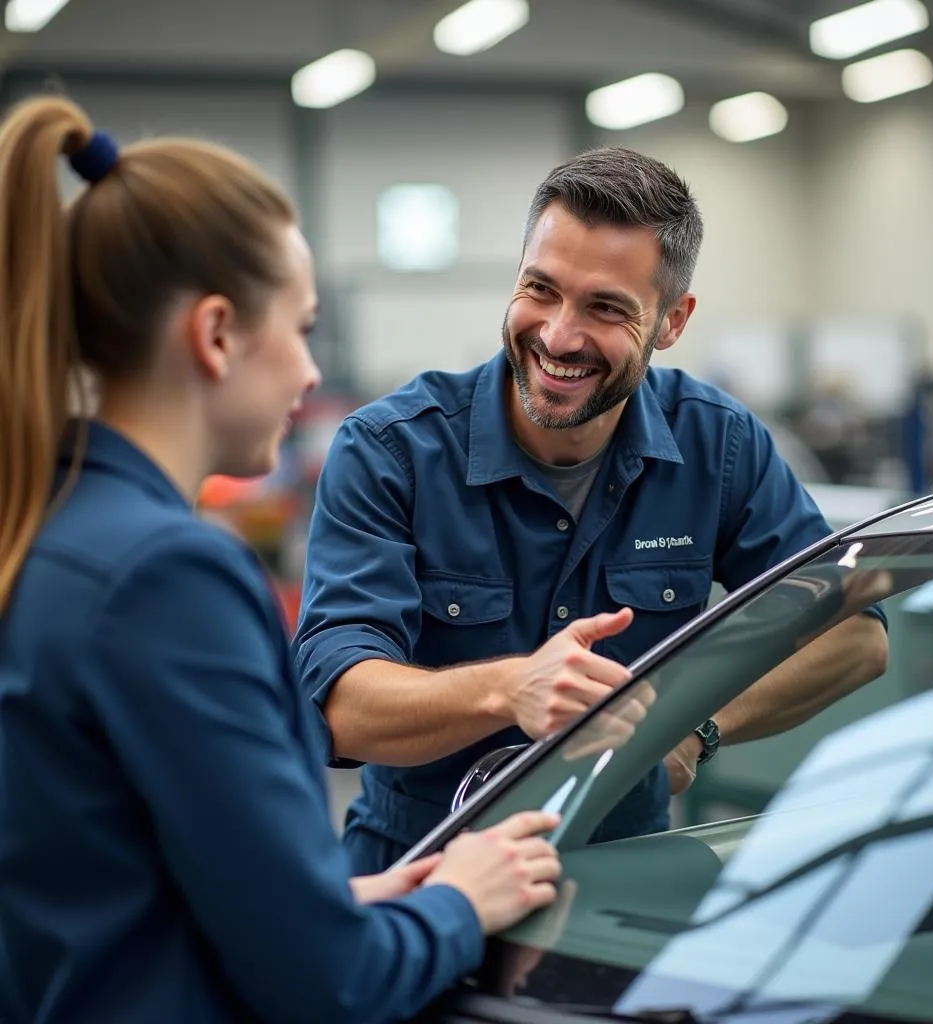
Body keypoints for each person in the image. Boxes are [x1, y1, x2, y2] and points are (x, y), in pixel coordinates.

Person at [0, 95, 564, 1024]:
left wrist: (338, 899)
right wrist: (463, 902)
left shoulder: (46, 530)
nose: (310, 374)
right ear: (216, 333)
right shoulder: (169, 578)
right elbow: (327, 984)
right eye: (300, 329)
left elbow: (108, 883)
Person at [294, 146, 890, 877]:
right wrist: (508, 689)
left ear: (672, 321)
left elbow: (856, 635)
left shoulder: (719, 447)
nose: (558, 335)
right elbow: (341, 703)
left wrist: (693, 726)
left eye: (606, 307)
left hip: (623, 880)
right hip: (419, 877)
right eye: (540, 289)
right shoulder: (391, 451)